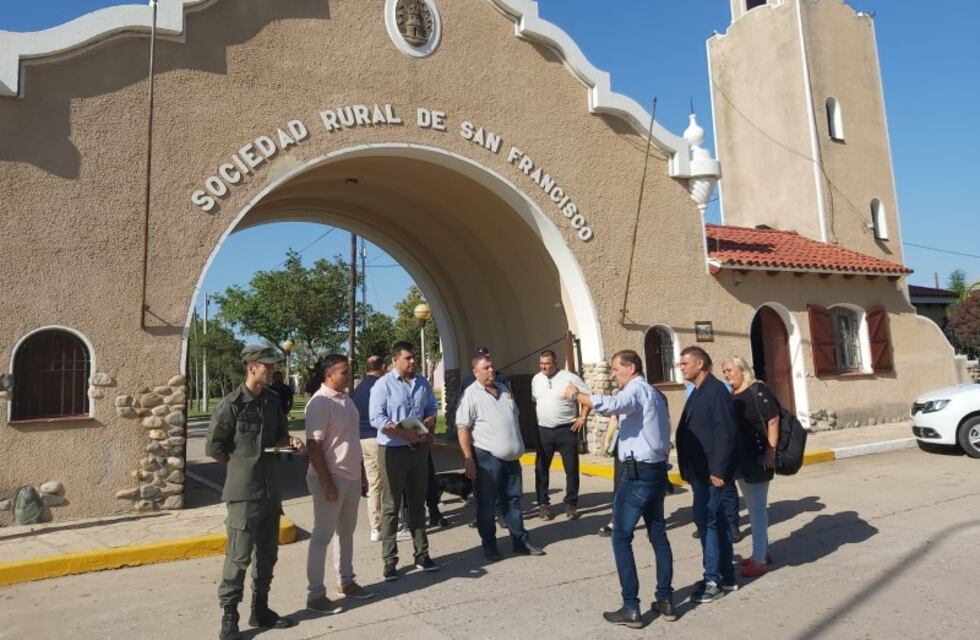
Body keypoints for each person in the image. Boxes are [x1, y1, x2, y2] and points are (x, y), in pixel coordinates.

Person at [566, 350, 675, 627]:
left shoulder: (636, 390)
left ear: (632, 367)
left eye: (617, 369)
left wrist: (577, 395)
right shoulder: (654, 394)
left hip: (638, 474)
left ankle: (631, 606)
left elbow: (613, 404)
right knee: (658, 534)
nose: (613, 374)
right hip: (654, 471)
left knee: (621, 537)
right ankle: (665, 599)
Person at [206, 346, 306, 640]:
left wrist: (292, 441)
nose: (272, 370)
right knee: (238, 557)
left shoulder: (273, 401)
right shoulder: (233, 403)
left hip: (271, 490)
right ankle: (230, 617)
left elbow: (280, 435)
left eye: (273, 366)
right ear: (252, 367)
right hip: (244, 492)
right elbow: (214, 448)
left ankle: (260, 609)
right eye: (268, 366)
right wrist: (242, 464)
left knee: (267, 553)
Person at [457, 353, 545, 561]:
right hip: (487, 458)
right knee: (487, 503)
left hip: (512, 459)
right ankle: (490, 545)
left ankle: (520, 542)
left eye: (492, 366)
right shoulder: (470, 395)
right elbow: (463, 428)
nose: (491, 370)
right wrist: (469, 458)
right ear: (475, 372)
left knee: (513, 501)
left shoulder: (504, 390)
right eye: (486, 368)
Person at [304, 354, 374, 613]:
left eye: (349, 371)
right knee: (322, 536)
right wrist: (327, 483)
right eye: (344, 372)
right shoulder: (320, 402)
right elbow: (314, 445)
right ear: (329, 375)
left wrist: (361, 473)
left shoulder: (346, 400)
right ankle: (315, 595)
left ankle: (346, 581)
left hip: (351, 476)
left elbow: (351, 439)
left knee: (346, 532)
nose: (349, 376)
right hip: (331, 476)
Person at [369, 341, 439, 581]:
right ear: (395, 360)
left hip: (418, 450)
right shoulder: (383, 385)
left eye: (414, 357)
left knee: (418, 502)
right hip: (393, 451)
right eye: (408, 358)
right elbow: (376, 418)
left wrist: (428, 422)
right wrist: (402, 433)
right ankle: (390, 560)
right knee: (391, 505)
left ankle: (422, 554)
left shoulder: (422, 382)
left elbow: (431, 407)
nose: (412, 362)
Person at [676, 346, 739, 604]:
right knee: (717, 521)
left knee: (707, 520)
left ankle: (713, 580)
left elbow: (726, 431)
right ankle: (727, 574)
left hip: (712, 472)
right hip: (700, 471)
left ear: (700, 364)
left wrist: (719, 470)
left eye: (685, 363)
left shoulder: (716, 391)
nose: (681, 367)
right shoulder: (698, 391)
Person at [721, 356, 779, 578]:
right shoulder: (732, 395)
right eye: (724, 371)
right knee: (756, 507)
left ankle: (759, 560)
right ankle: (762, 550)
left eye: (729, 370)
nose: (726, 375)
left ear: (742, 369)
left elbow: (773, 419)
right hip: (741, 459)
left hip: (758, 458)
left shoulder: (757, 390)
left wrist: (771, 449)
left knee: (756, 508)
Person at [531, 350, 590, 520]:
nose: (544, 367)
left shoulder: (569, 378)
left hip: (566, 430)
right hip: (544, 430)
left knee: (571, 469)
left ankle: (571, 504)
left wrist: (582, 417)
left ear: (555, 362)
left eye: (547, 363)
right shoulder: (536, 379)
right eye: (541, 363)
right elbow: (536, 401)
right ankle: (543, 504)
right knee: (541, 468)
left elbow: (588, 397)